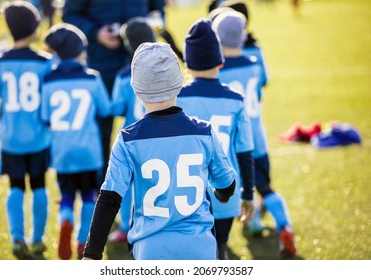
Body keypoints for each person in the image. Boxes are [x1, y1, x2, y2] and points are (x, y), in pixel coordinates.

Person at [83, 42, 237, 260]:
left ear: (136, 89)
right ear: (180, 83)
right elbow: (227, 184)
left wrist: (91, 253)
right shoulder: (204, 132)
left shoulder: (128, 139)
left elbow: (109, 198)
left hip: (150, 251)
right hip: (199, 248)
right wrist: (221, 193)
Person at [212, 9, 297, 258]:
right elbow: (260, 91)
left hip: (233, 142)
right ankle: (284, 226)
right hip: (258, 138)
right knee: (264, 186)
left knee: (233, 187)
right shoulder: (253, 65)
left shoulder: (219, 71)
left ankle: (253, 223)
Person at [62, 0, 166, 186]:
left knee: (151, 125)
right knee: (102, 129)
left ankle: (152, 187)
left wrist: (151, 26)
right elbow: (70, 15)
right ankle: (103, 192)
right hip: (101, 63)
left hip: (142, 61)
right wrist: (96, 33)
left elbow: (157, 9)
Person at [176, 19, 255, 260]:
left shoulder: (178, 98)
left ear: (187, 64)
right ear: (220, 61)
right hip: (226, 192)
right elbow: (245, 151)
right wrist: (248, 194)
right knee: (219, 249)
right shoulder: (236, 100)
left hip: (186, 193)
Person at [0, 0, 52, 260]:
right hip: (38, 138)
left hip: (11, 140)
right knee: (39, 187)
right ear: (35, 29)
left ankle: (16, 238)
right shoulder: (44, 62)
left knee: (15, 187)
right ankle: (37, 240)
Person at [41, 23, 112, 260]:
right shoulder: (92, 78)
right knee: (91, 195)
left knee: (68, 196)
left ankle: (66, 220)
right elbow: (105, 109)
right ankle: (83, 240)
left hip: (62, 153)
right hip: (89, 152)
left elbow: (44, 117)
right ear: (80, 51)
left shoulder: (48, 80)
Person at [107, 17, 156, 244]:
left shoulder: (124, 74)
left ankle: (126, 226)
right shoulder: (161, 69)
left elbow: (116, 107)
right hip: (158, 133)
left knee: (126, 182)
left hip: (131, 138)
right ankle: (156, 223)